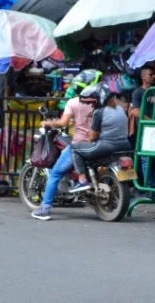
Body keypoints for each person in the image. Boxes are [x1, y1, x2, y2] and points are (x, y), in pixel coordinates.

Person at [30, 88, 96, 221]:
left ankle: (45, 209)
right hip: (96, 143)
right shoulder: (99, 103)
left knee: (55, 174)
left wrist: (48, 122)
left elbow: (63, 123)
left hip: (79, 144)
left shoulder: (73, 102)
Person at [69, 84, 132, 193]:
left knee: (75, 148)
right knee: (92, 161)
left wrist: (86, 140)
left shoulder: (99, 112)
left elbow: (92, 137)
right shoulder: (120, 109)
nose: (92, 105)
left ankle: (82, 181)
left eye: (93, 102)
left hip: (107, 146)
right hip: (125, 146)